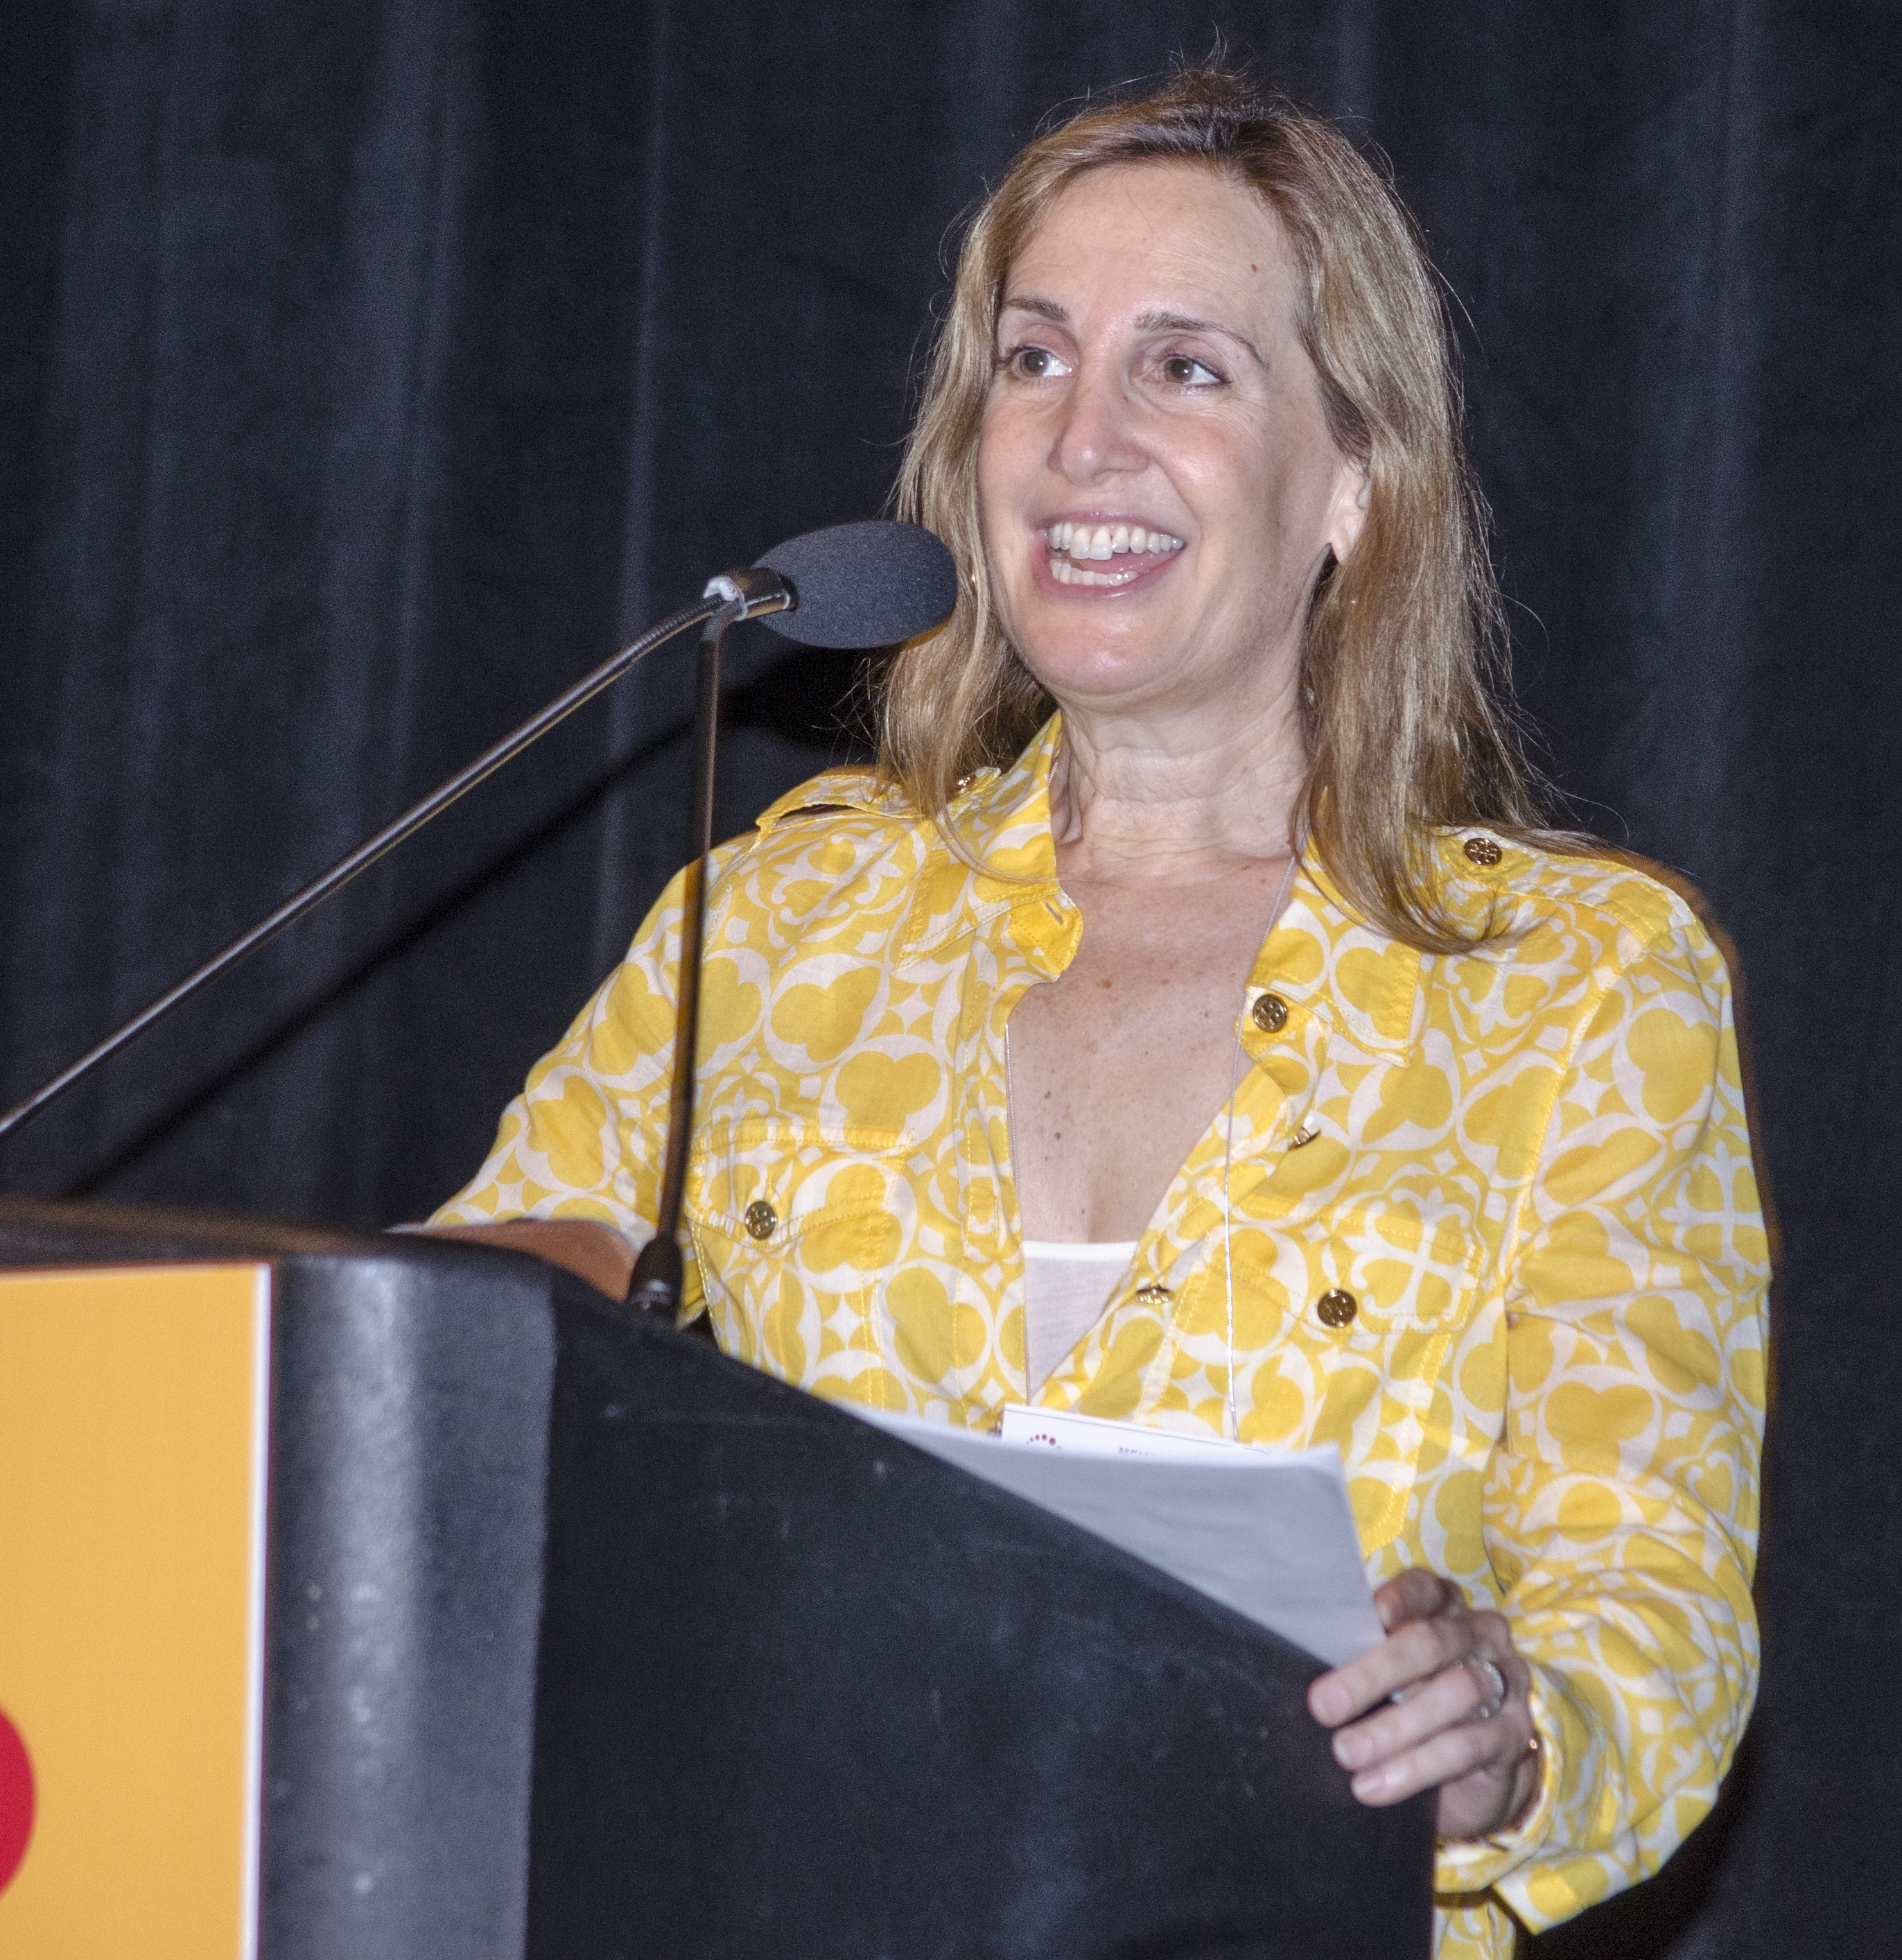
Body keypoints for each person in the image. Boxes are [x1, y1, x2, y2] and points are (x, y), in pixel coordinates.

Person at [428, 60, 1765, 1960]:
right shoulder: (786, 922)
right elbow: (455, 1346)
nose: (1079, 439)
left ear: (1355, 482)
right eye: (1034, 359)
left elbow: (1654, 1618)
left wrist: (1507, 1731)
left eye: (1184, 368)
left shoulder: (1578, 985)